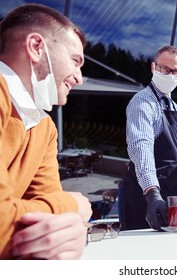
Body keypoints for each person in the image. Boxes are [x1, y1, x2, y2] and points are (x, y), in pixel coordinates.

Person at [0, 3, 92, 259]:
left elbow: (49, 230)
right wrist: (74, 205)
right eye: (76, 61)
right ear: (36, 47)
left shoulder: (44, 128)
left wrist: (65, 231)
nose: (79, 77)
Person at [121, 45, 177, 231]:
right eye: (164, 69)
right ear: (153, 68)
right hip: (144, 194)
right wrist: (152, 193)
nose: (170, 75)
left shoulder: (176, 108)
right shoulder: (142, 102)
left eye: (175, 71)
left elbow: (171, 149)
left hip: (169, 191)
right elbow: (141, 147)